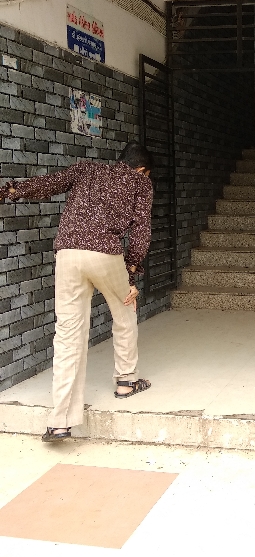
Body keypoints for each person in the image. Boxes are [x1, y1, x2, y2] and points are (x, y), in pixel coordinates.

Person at [0, 142, 154, 442]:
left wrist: (12, 190)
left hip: (68, 254)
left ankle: (60, 421)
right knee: (125, 310)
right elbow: (141, 230)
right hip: (106, 254)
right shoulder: (140, 182)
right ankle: (126, 381)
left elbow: (49, 184)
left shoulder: (87, 169)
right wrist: (132, 269)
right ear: (142, 169)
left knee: (68, 334)